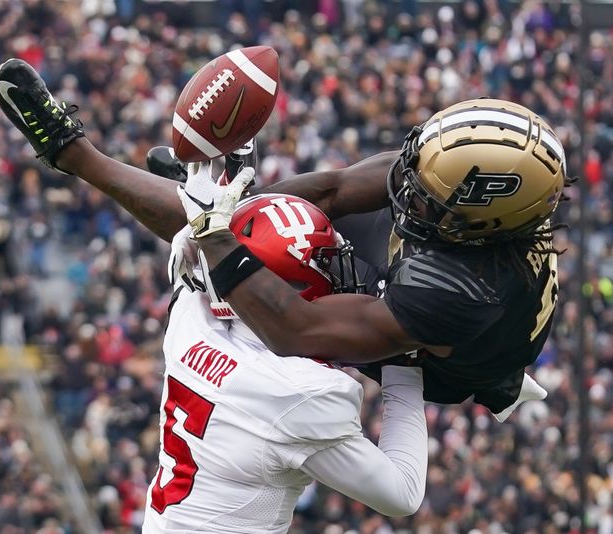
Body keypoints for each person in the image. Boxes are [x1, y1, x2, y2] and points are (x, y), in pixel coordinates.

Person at [0, 58, 565, 420]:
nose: (407, 190)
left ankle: (74, 156)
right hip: (458, 299)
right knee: (258, 224)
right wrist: (240, 204)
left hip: (441, 363)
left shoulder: (461, 289)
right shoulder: (459, 193)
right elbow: (338, 189)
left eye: (426, 197)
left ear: (481, 222)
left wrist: (217, 228)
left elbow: (298, 331)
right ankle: (94, 164)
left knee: (267, 250)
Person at [144, 190, 427, 532]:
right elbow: (403, 494)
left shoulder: (193, 316)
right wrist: (404, 364)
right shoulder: (299, 392)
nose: (339, 272)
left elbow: (202, 270)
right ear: (292, 285)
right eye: (328, 262)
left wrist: (197, 233)